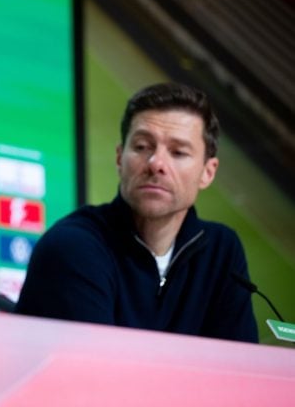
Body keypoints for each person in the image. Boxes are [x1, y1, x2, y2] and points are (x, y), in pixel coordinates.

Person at [16, 83, 258, 342]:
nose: (156, 163)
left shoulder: (222, 251)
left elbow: (240, 369)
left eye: (178, 152)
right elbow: (95, 373)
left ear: (207, 172)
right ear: (120, 158)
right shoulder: (73, 245)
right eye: (142, 147)